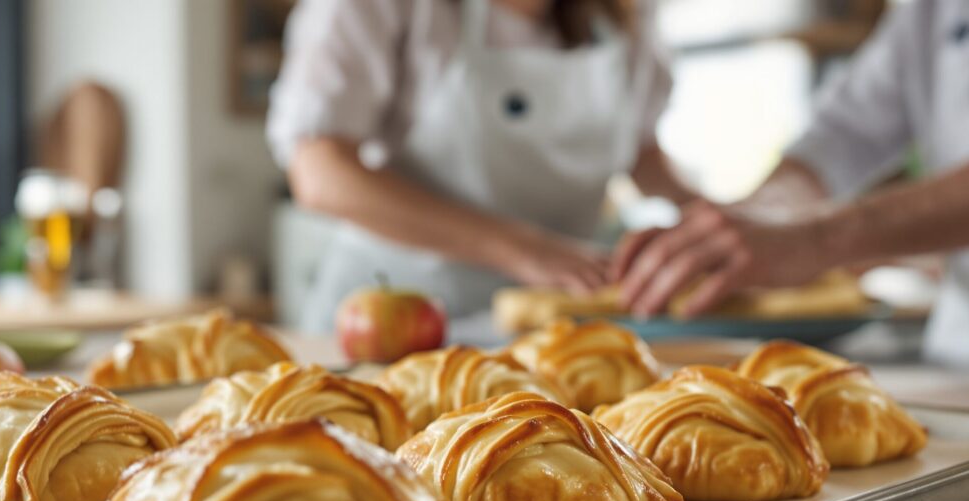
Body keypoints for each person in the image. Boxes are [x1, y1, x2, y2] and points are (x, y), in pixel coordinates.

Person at [267, 0, 694, 334]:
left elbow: (640, 155)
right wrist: (525, 249)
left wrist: (718, 226)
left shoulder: (624, 19)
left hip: (547, 334)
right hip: (391, 325)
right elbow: (320, 172)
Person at [612, 0, 969, 365]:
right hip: (954, 353)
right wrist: (747, 222)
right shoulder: (931, 9)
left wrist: (815, 237)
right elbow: (840, 136)